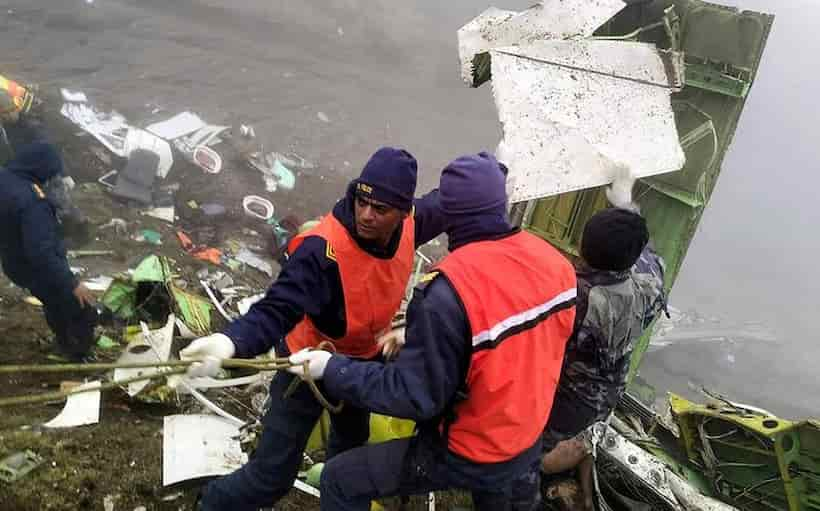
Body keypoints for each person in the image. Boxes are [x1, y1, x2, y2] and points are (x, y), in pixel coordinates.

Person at [287, 152, 577, 511]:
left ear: (450, 217)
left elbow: (415, 397)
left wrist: (330, 369)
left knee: (340, 480)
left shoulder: (447, 289)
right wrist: (442, 339)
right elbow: (533, 338)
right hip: (525, 438)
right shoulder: (558, 266)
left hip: (468, 447)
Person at [180, 147, 445, 511]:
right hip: (303, 366)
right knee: (271, 476)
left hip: (360, 367)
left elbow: (454, 200)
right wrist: (231, 342)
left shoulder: (415, 222)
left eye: (380, 209)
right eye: (361, 200)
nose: (366, 214)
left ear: (403, 212)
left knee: (350, 458)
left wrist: (500, 170)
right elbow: (278, 308)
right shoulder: (322, 251)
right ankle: (210, 505)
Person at [534, 169, 668, 510]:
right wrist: (627, 204)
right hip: (607, 392)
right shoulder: (649, 279)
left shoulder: (579, 298)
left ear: (582, 247)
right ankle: (582, 465)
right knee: (581, 429)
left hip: (567, 396)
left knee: (530, 457)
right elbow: (644, 249)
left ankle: (546, 475)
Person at [0, 142, 97, 361]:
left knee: (53, 301)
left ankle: (64, 341)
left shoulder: (5, 177)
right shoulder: (34, 202)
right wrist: (72, 282)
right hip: (32, 265)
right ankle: (76, 353)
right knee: (79, 305)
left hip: (13, 261)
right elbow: (41, 253)